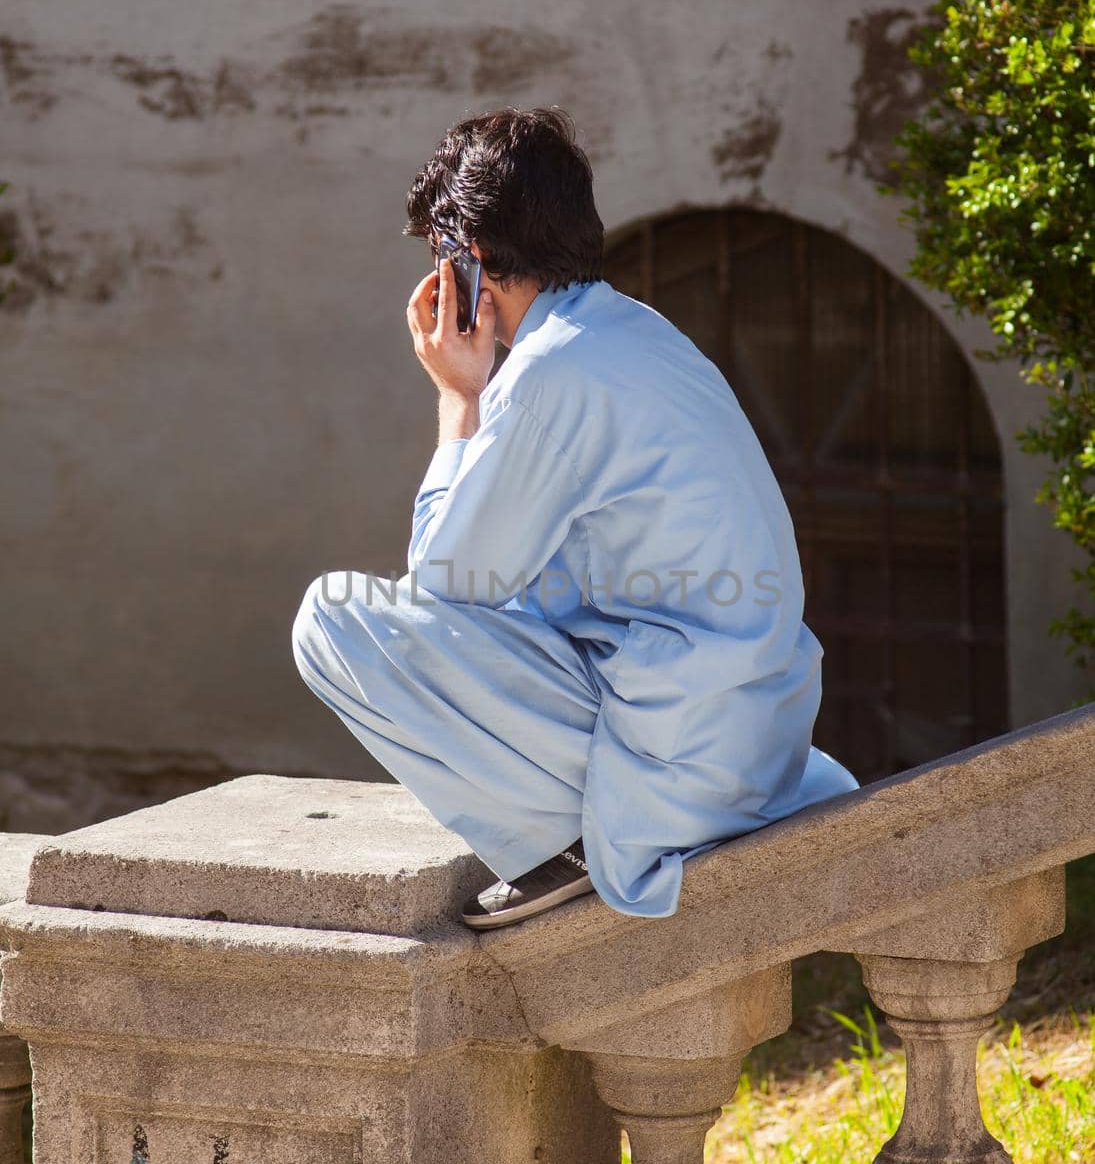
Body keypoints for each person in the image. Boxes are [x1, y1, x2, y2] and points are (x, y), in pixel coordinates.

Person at [291, 107, 858, 930]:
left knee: (331, 618)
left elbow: (445, 586)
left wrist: (460, 394)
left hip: (678, 762)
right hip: (740, 741)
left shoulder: (550, 374)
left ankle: (578, 841)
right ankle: (582, 827)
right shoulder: (632, 332)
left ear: (469, 262)